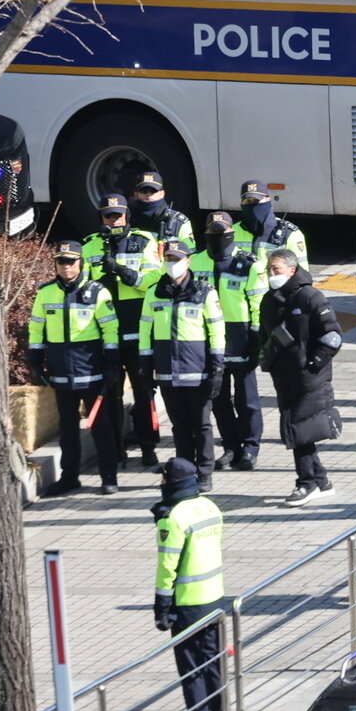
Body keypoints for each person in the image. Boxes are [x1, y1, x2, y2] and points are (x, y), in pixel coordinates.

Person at [27, 240, 121, 496]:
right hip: (61, 371)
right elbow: (36, 328)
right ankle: (69, 478)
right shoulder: (45, 293)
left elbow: (110, 329)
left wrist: (113, 363)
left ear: (81, 262)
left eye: (71, 261)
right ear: (55, 264)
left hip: (92, 371)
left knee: (100, 426)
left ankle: (108, 476)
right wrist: (34, 362)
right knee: (67, 429)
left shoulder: (97, 292)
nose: (66, 266)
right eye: (61, 261)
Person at [83, 192, 163, 467]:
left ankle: (149, 447)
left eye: (118, 215)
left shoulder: (144, 241)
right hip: (106, 334)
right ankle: (116, 452)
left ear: (127, 215)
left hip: (137, 330)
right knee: (111, 394)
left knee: (144, 392)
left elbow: (153, 280)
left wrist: (121, 271)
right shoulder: (90, 246)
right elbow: (83, 288)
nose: (113, 220)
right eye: (108, 215)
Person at [152, 456, 225, 711]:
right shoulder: (210, 507)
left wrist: (161, 607)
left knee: (192, 670)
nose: (160, 484)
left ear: (173, 482)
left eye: (163, 478)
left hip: (188, 605)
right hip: (215, 598)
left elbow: (167, 567)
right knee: (213, 666)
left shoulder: (174, 518)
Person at [260, 248, 343, 506]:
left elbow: (332, 337)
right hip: (283, 376)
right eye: (269, 270)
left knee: (299, 429)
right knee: (296, 427)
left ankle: (306, 483)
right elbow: (263, 335)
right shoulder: (269, 300)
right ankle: (320, 479)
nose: (272, 274)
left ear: (292, 270)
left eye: (277, 269)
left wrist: (313, 364)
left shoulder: (310, 298)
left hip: (309, 378)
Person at [141, 241, 225, 492]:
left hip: (197, 370)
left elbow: (217, 331)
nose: (172, 263)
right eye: (168, 258)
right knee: (179, 426)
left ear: (188, 261)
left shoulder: (204, 292)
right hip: (168, 371)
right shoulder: (154, 292)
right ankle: (185, 470)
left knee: (201, 425)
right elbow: (146, 330)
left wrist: (217, 368)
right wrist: (145, 366)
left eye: (177, 258)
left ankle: (205, 471)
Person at [192, 212, 267, 471]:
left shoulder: (249, 264)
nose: (218, 236)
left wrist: (257, 335)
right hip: (209, 341)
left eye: (223, 231)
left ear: (231, 233)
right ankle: (231, 446)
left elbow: (258, 303)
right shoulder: (194, 262)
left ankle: (250, 447)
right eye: (213, 231)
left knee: (246, 399)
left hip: (241, 338)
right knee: (219, 399)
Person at [231, 179, 309, 266]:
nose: (252, 205)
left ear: (268, 199)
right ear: (241, 203)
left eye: (256, 201)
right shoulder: (231, 233)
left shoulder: (290, 235)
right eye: (248, 201)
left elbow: (301, 276)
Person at [129, 170, 194, 250]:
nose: (149, 194)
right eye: (144, 191)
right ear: (136, 194)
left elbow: (190, 255)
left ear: (162, 193)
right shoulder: (126, 220)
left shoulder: (179, 222)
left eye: (153, 191)